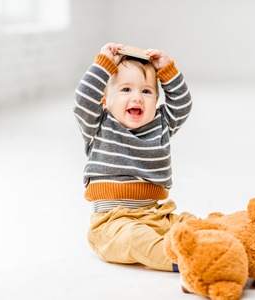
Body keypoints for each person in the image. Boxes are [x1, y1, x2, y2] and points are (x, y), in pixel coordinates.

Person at [73, 42, 196, 271]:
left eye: (147, 91)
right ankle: (191, 259)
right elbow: (83, 100)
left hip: (157, 215)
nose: (138, 97)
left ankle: (241, 239)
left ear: (156, 101)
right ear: (105, 100)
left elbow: (182, 105)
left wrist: (167, 70)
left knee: (192, 224)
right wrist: (104, 64)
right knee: (136, 238)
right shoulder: (99, 124)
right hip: (112, 223)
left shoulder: (161, 125)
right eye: (126, 90)